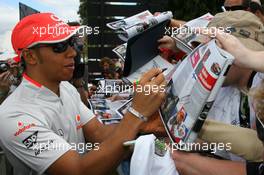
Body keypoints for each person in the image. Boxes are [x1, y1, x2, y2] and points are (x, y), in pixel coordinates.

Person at [0, 13, 167, 175]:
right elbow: (78, 170)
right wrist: (136, 115)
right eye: (59, 46)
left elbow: (98, 134)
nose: (73, 53)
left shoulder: (66, 88)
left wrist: (142, 126)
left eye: (71, 42)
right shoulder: (14, 115)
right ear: (30, 56)